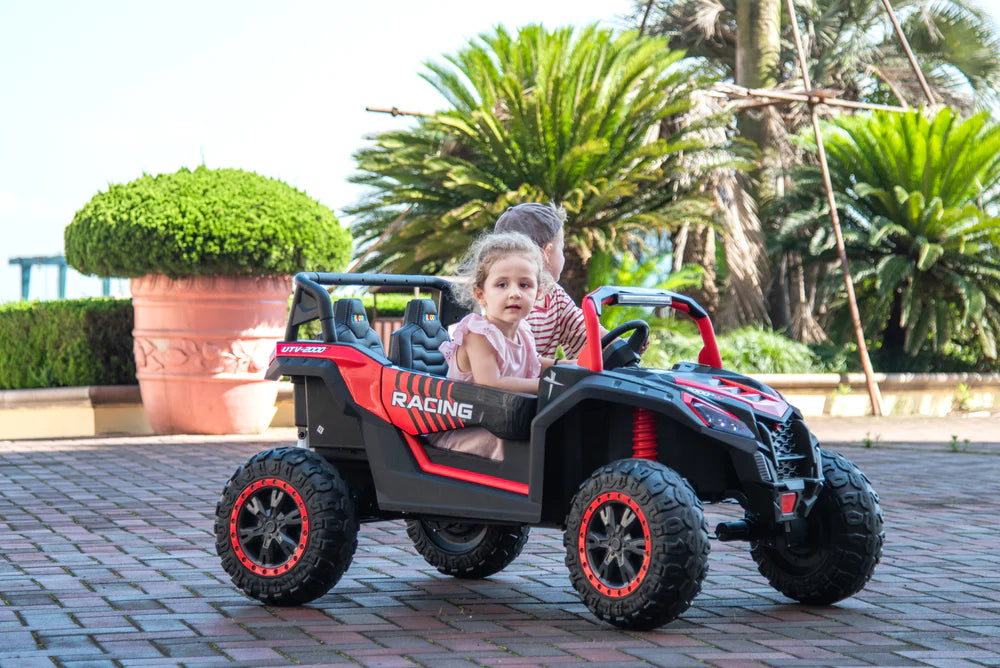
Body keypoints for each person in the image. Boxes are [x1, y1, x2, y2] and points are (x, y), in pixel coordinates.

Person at [429, 231, 566, 460]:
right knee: (528, 447)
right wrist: (546, 385)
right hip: (472, 428)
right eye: (502, 285)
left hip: (505, 420)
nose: (514, 293)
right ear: (481, 295)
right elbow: (491, 383)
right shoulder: (478, 335)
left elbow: (533, 362)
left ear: (538, 292)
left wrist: (566, 366)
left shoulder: (523, 330)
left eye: (525, 285)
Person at [493, 202, 590, 359]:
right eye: (562, 249)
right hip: (511, 382)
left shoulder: (555, 295)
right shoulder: (513, 303)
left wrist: (617, 342)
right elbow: (517, 360)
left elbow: (583, 328)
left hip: (539, 381)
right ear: (547, 251)